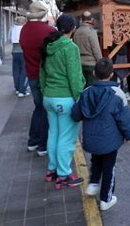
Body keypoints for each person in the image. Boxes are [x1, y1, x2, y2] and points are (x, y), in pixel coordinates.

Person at [72, 58, 130, 211]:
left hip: (91, 139)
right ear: (112, 74)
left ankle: (93, 183)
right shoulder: (118, 94)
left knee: (96, 160)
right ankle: (106, 198)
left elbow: (75, 114)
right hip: (110, 140)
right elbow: (124, 119)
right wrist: (129, 135)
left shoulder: (86, 92)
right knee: (109, 167)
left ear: (94, 73)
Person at [40, 14, 85, 189]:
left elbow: (41, 73)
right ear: (73, 28)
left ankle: (52, 169)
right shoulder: (70, 47)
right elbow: (74, 77)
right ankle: (64, 174)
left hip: (49, 97)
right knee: (66, 138)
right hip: (65, 98)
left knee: (54, 134)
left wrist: (45, 92)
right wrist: (79, 97)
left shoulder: (48, 45)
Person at [20, 1, 56, 156]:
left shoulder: (24, 30)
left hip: (31, 73)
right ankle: (43, 145)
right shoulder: (48, 31)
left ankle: (33, 141)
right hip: (45, 76)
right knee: (45, 110)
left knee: (38, 107)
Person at [73, 11, 102, 87]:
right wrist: (101, 62)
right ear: (91, 19)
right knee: (91, 88)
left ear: (81, 19)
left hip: (80, 64)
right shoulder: (91, 32)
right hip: (91, 65)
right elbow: (96, 50)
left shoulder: (76, 32)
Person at [10, 16, 29, 97]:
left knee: (16, 71)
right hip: (23, 52)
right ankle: (22, 90)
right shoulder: (25, 29)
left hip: (14, 52)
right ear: (23, 22)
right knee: (24, 71)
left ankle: (17, 89)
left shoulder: (12, 28)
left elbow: (9, 39)